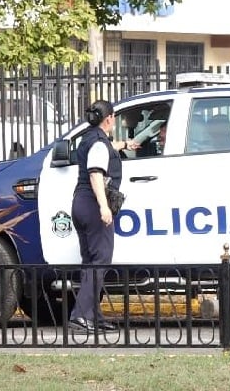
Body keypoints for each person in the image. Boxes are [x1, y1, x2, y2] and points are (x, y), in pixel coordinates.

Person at [69, 100, 138, 333]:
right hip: (93, 204)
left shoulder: (91, 138)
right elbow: (96, 173)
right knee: (101, 261)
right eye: (114, 117)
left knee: (90, 263)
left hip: (80, 204)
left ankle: (92, 316)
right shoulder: (98, 144)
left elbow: (106, 148)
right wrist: (104, 207)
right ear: (109, 118)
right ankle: (80, 315)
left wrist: (125, 144)